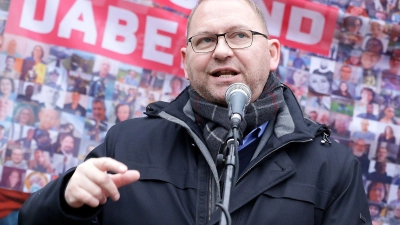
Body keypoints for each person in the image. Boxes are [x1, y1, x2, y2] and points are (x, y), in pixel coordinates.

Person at [19, 0, 371, 224]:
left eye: (239, 36)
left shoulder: (333, 168)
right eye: (205, 40)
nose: (221, 52)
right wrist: (65, 200)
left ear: (273, 53)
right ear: (186, 63)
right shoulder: (125, 144)